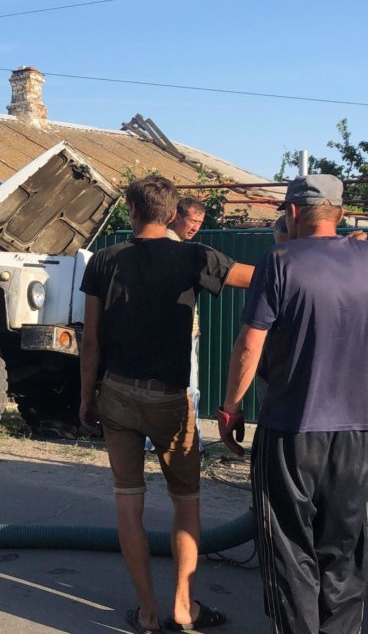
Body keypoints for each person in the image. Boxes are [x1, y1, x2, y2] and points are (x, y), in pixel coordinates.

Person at [79, 175, 253, 633]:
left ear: (133, 212)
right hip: (170, 400)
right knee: (186, 502)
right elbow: (256, 279)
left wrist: (86, 397)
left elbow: (90, 341)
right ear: (172, 214)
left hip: (116, 393)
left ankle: (148, 612)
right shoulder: (194, 256)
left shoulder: (102, 261)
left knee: (128, 504)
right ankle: (183, 605)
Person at [218, 174, 368, 634]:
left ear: (295, 212)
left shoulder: (279, 260)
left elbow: (249, 345)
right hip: (358, 437)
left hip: (291, 432)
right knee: (344, 554)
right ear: (340, 213)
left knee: (288, 552)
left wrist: (230, 408)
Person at [165, 197, 207, 447]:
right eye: (193, 220)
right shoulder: (173, 248)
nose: (196, 227)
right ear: (176, 217)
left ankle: (185, 437)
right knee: (188, 387)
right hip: (178, 331)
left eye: (200, 223)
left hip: (188, 329)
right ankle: (190, 439)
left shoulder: (180, 245)